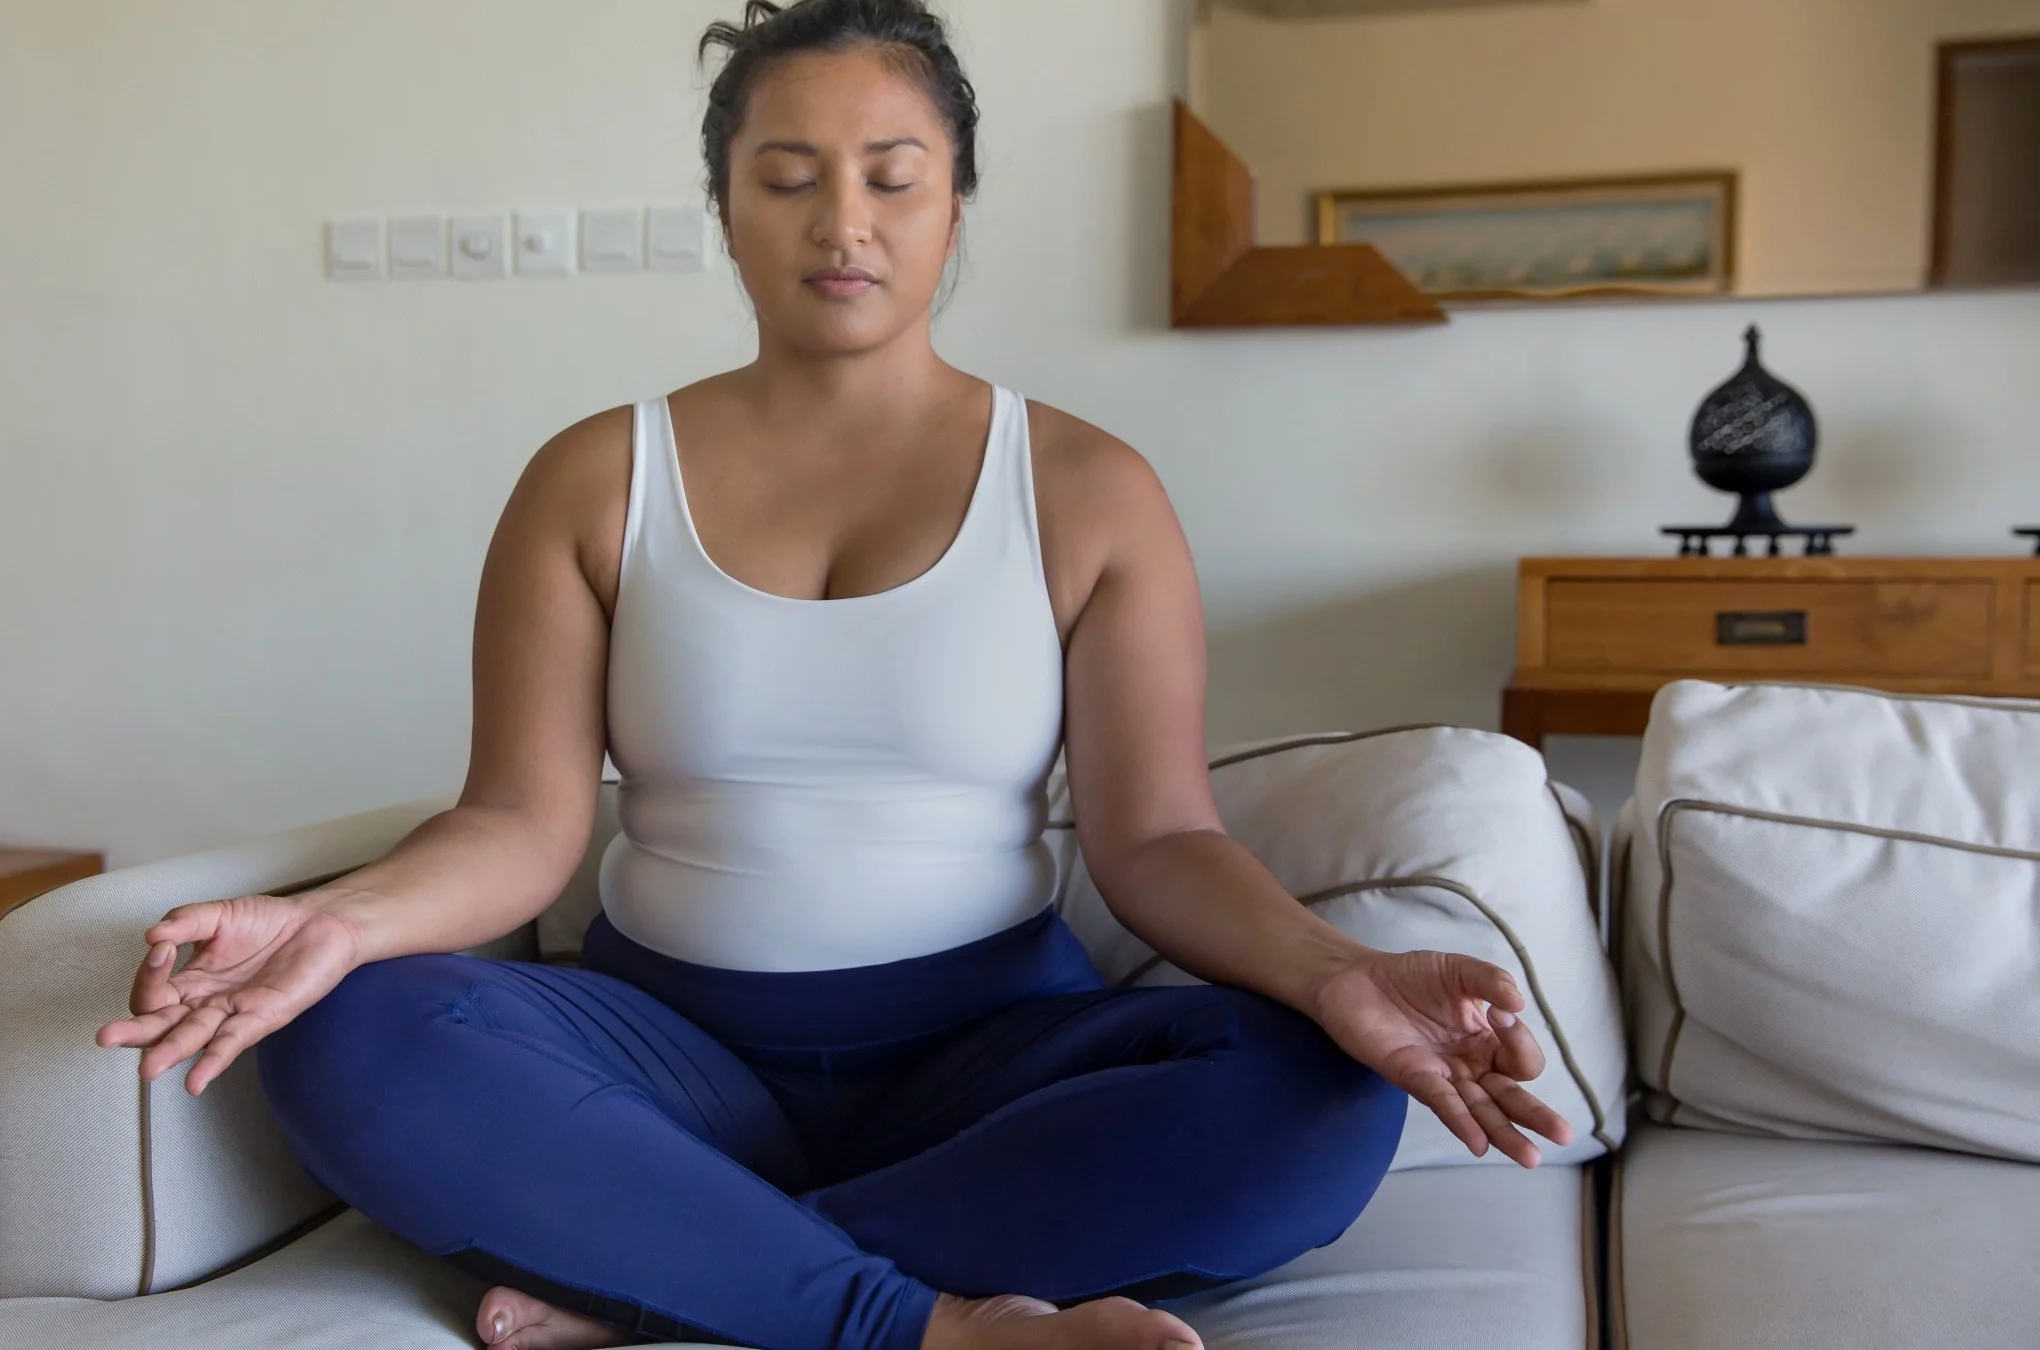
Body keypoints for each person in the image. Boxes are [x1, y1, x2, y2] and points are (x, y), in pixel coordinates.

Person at [96, 4, 1575, 1349]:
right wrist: (330, 925)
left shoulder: (1087, 486)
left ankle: (678, 1267)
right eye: (788, 176)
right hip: (667, 1054)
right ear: (727, 208)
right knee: (352, 1029)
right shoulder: (595, 479)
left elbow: (1160, 841)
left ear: (956, 203)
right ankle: (918, 1319)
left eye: (892, 173)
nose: (841, 222)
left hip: (984, 1058)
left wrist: (1344, 975)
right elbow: (522, 827)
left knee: (1312, 1086)